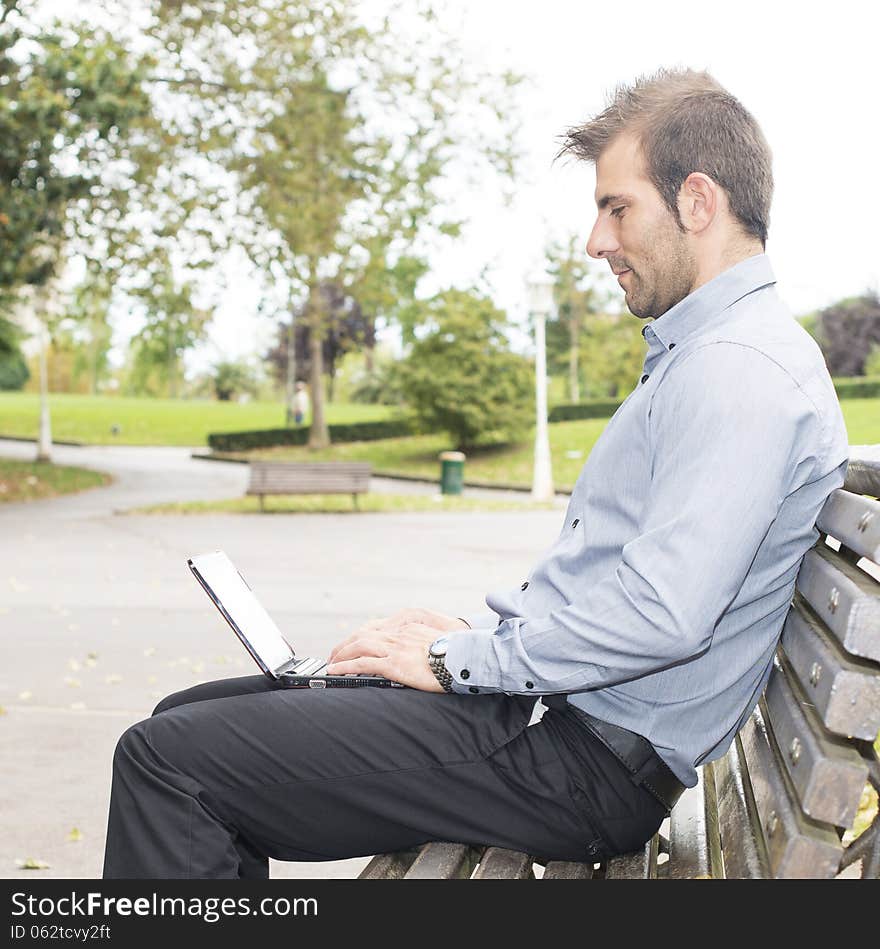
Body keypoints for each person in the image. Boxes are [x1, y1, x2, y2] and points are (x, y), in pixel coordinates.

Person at [102, 68, 849, 879]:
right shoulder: (712, 353)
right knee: (186, 722)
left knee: (168, 764)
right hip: (553, 723)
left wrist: (455, 662)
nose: (596, 240)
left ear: (697, 202)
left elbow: (664, 615)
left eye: (616, 207)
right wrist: (478, 644)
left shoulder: (739, 370)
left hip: (575, 763)